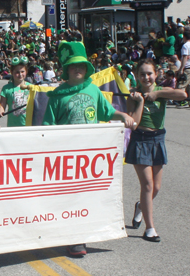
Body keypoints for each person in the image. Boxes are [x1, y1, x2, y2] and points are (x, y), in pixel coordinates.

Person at [42, 40, 136, 257]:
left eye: (82, 65)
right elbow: (47, 126)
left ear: (86, 69)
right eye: (74, 65)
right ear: (67, 69)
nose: (78, 69)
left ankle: (80, 235)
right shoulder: (57, 95)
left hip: (89, 155)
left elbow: (106, 112)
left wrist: (122, 115)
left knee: (86, 194)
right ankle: (72, 237)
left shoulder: (94, 90)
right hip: (65, 154)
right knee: (68, 196)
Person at [126, 59, 186, 242]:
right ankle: (150, 228)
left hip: (158, 139)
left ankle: (140, 206)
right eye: (142, 74)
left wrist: (158, 93)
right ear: (137, 76)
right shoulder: (132, 96)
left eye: (149, 73)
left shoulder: (162, 91)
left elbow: (183, 95)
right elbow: (133, 125)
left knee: (156, 187)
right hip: (140, 140)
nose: (146, 77)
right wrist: (140, 101)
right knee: (147, 185)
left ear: (156, 74)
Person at [0, 56, 30, 127]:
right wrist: (0, 112)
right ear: (11, 72)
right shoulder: (6, 88)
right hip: (13, 125)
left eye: (22, 71)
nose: (20, 74)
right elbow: (2, 105)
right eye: (17, 72)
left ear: (26, 71)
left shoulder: (31, 87)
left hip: (28, 125)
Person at [176, 30, 190, 107]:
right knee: (188, 85)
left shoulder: (185, 45)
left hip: (187, 67)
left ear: (184, 37)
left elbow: (185, 57)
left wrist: (181, 68)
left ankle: (182, 101)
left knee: (182, 85)